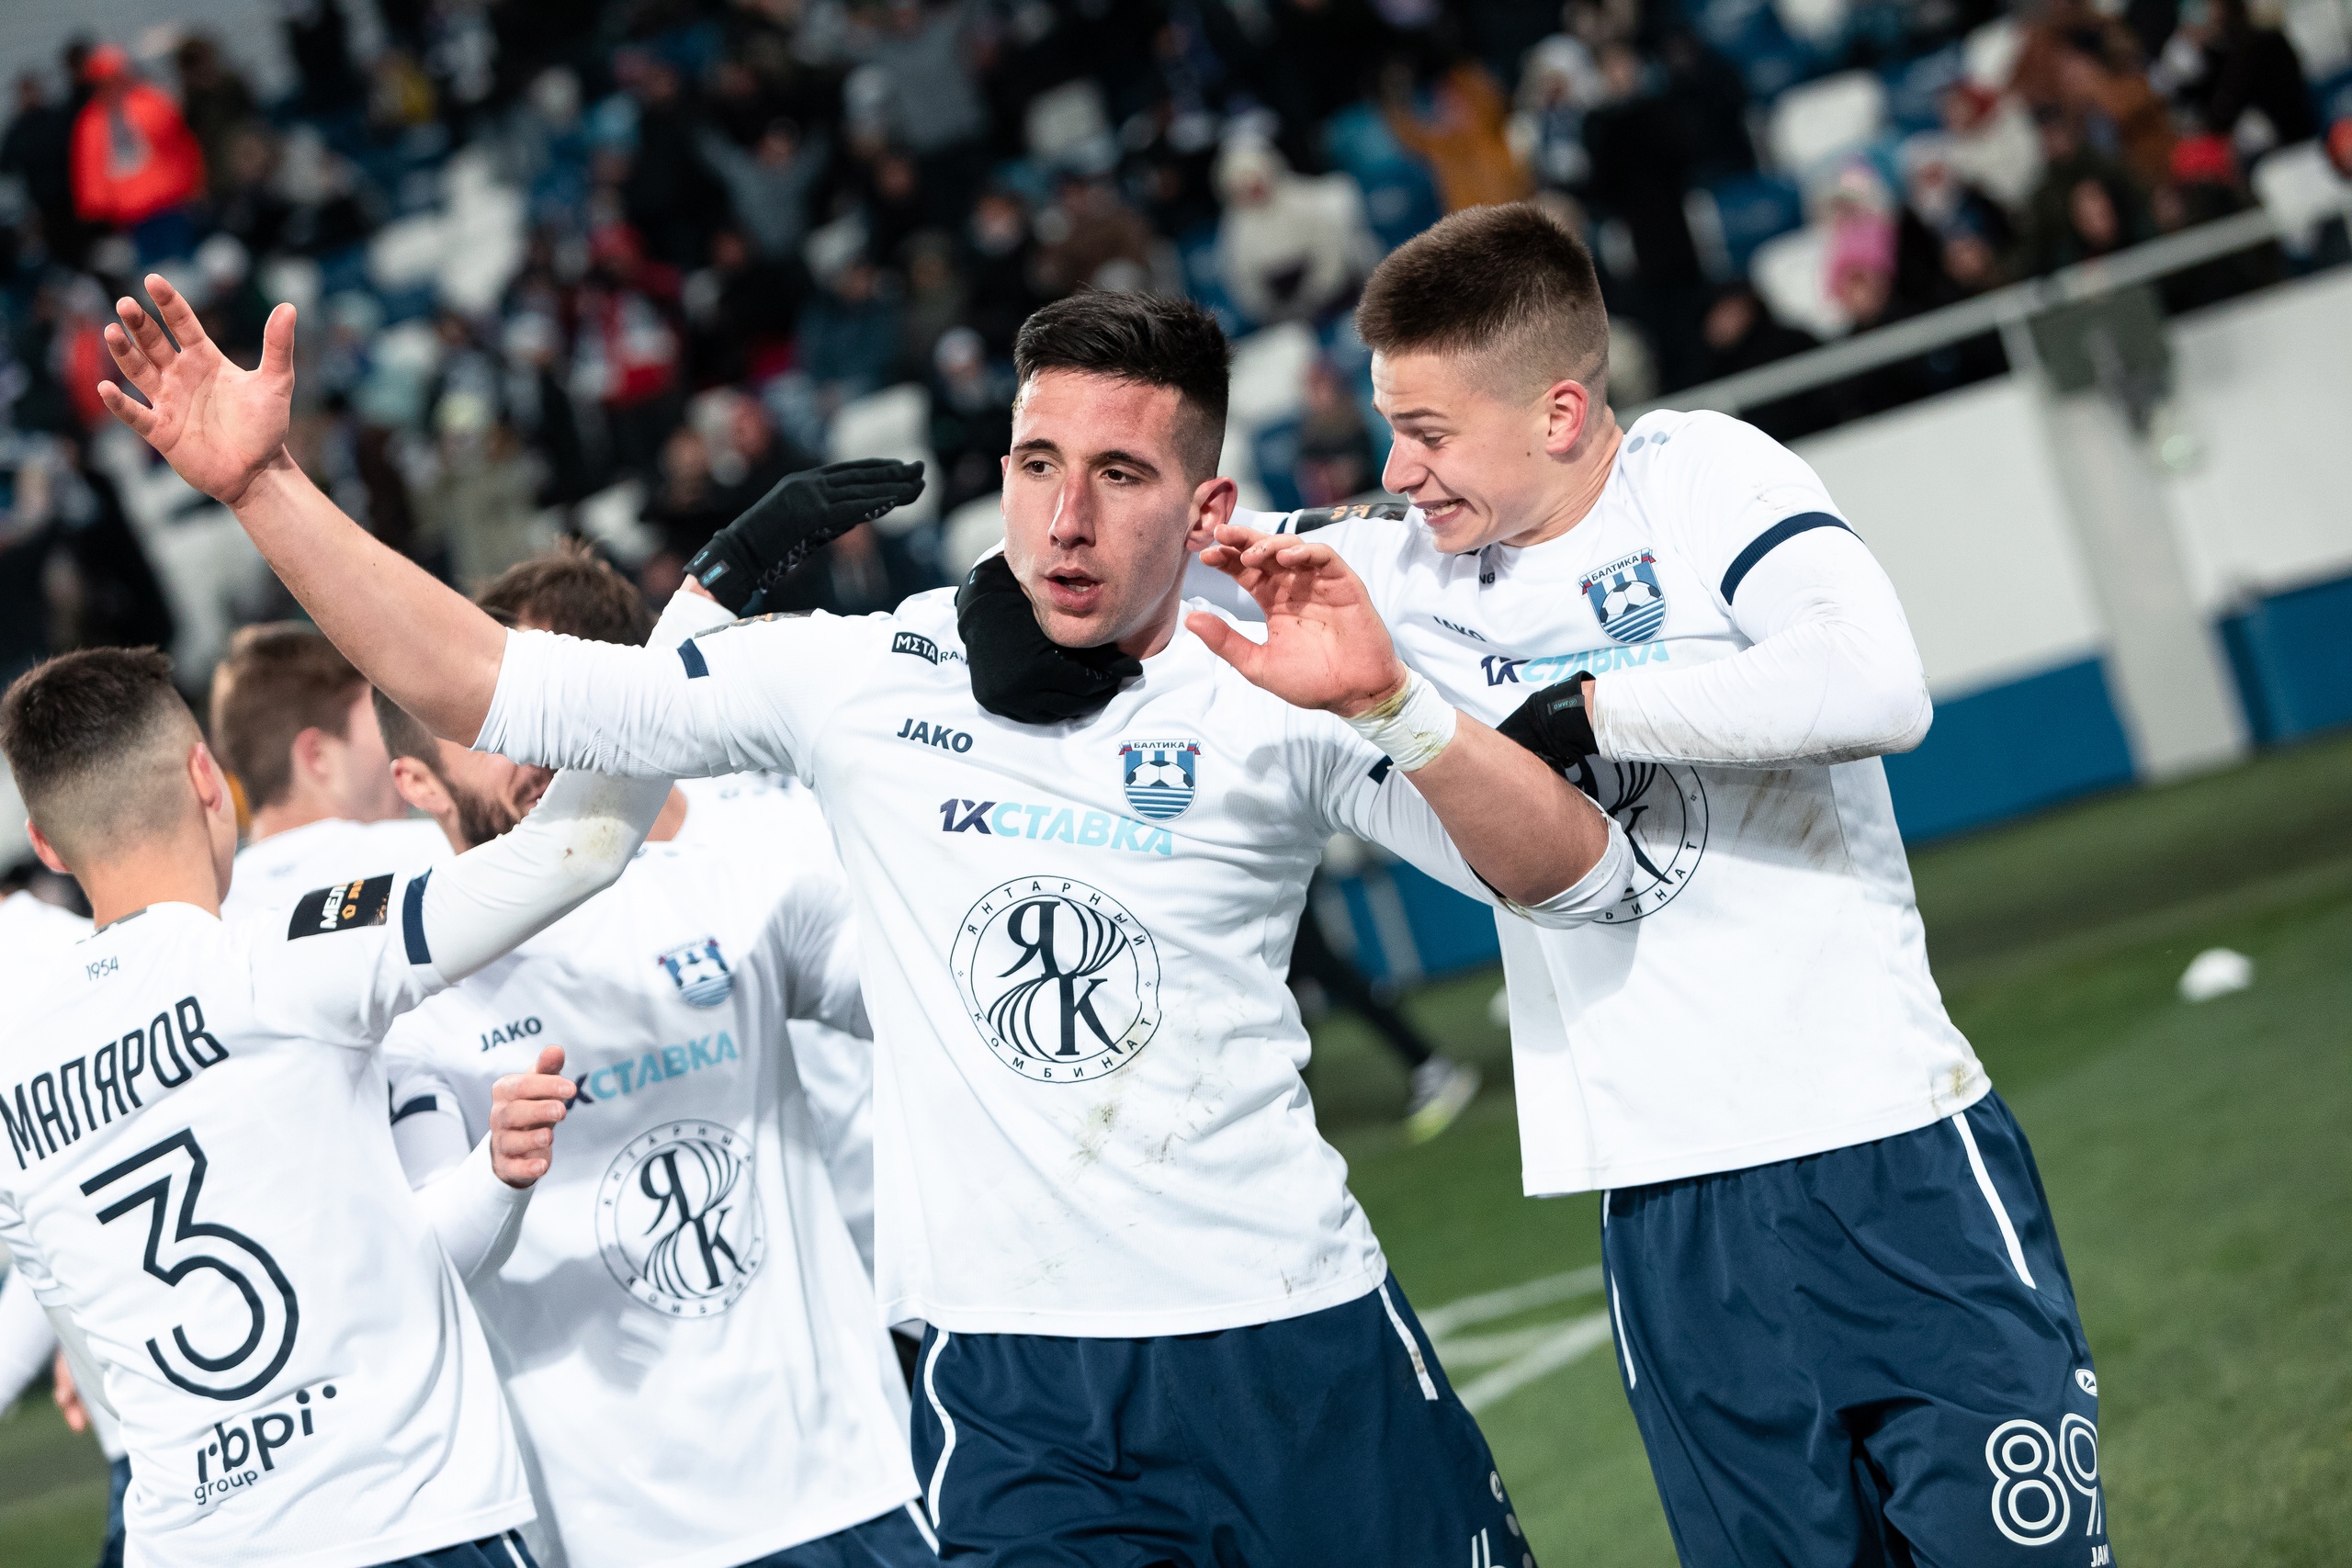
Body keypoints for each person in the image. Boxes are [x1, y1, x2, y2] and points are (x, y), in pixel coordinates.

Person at [104, 275, 1631, 1563]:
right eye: (1039, 463)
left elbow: (1570, 872)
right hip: (1021, 1395)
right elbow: (491, 682)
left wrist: (1391, 704)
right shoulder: (867, 676)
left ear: (1208, 504)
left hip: (1291, 1333)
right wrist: (263, 487)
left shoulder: (1283, 673)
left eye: (1122, 475)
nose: (1066, 518)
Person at [1266, 201, 2110, 1566]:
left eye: (1427, 432)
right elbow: (1149, 550)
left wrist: (1591, 710)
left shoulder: (1697, 473)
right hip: (1669, 1208)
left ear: (1557, 412)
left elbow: (1876, 684)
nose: (1397, 469)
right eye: (1388, 428)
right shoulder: (1396, 561)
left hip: (1888, 1148)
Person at [0, 636, 674, 1566]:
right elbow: (577, 852)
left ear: (45, 844)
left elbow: (84, 1340)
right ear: (207, 779)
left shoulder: (12, 1070)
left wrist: (491, 1178)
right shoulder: (280, 955)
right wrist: (695, 619)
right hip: (398, 1522)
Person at [375, 549, 933, 1568]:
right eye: (483, 730)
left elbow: (925, 995)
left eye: (523, 710)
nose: (527, 746)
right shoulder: (405, 1005)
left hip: (849, 1483)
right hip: (618, 1533)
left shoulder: (727, 883)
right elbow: (413, 1271)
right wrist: (495, 1174)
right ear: (415, 780)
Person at [210, 623, 450, 921]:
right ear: (317, 756)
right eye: (384, 728)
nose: (402, 751)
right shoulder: (433, 857)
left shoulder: (214, 914)